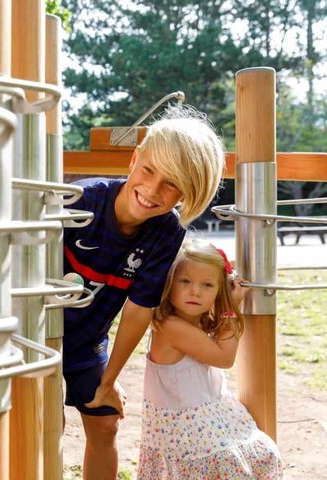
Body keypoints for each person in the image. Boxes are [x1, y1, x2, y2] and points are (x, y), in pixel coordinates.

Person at [62, 105, 225, 479]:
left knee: (106, 422)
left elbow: (138, 309)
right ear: (134, 159)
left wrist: (108, 381)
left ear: (187, 192)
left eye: (171, 184)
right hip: (37, 337)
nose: (152, 190)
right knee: (42, 424)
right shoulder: (80, 201)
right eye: (149, 170)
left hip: (86, 343)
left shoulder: (167, 232)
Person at [137, 240, 282, 479]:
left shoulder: (197, 321)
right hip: (187, 436)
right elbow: (224, 357)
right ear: (169, 283)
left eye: (207, 285)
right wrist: (231, 308)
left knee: (261, 455)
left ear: (218, 291)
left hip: (204, 424)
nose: (195, 291)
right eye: (185, 281)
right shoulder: (170, 326)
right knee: (233, 465)